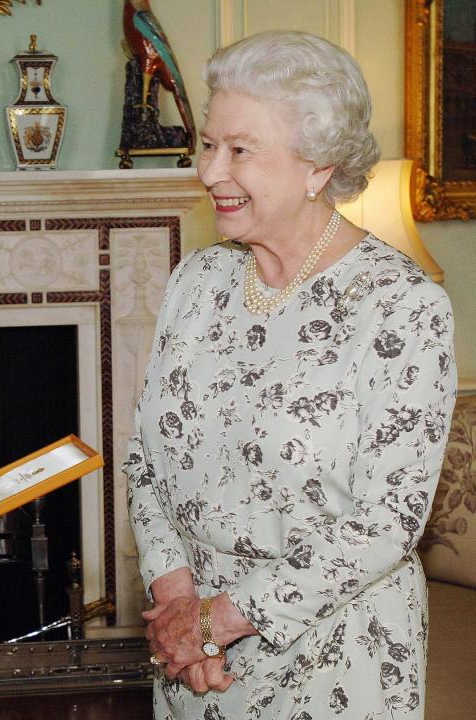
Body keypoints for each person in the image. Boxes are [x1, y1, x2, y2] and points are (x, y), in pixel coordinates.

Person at [125, 30, 456, 719]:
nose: (210, 171)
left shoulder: (399, 305)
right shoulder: (199, 279)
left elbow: (386, 521)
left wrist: (220, 620)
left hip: (333, 654)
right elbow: (144, 457)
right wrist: (180, 601)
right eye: (208, 144)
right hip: (190, 655)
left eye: (239, 150)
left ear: (318, 166)